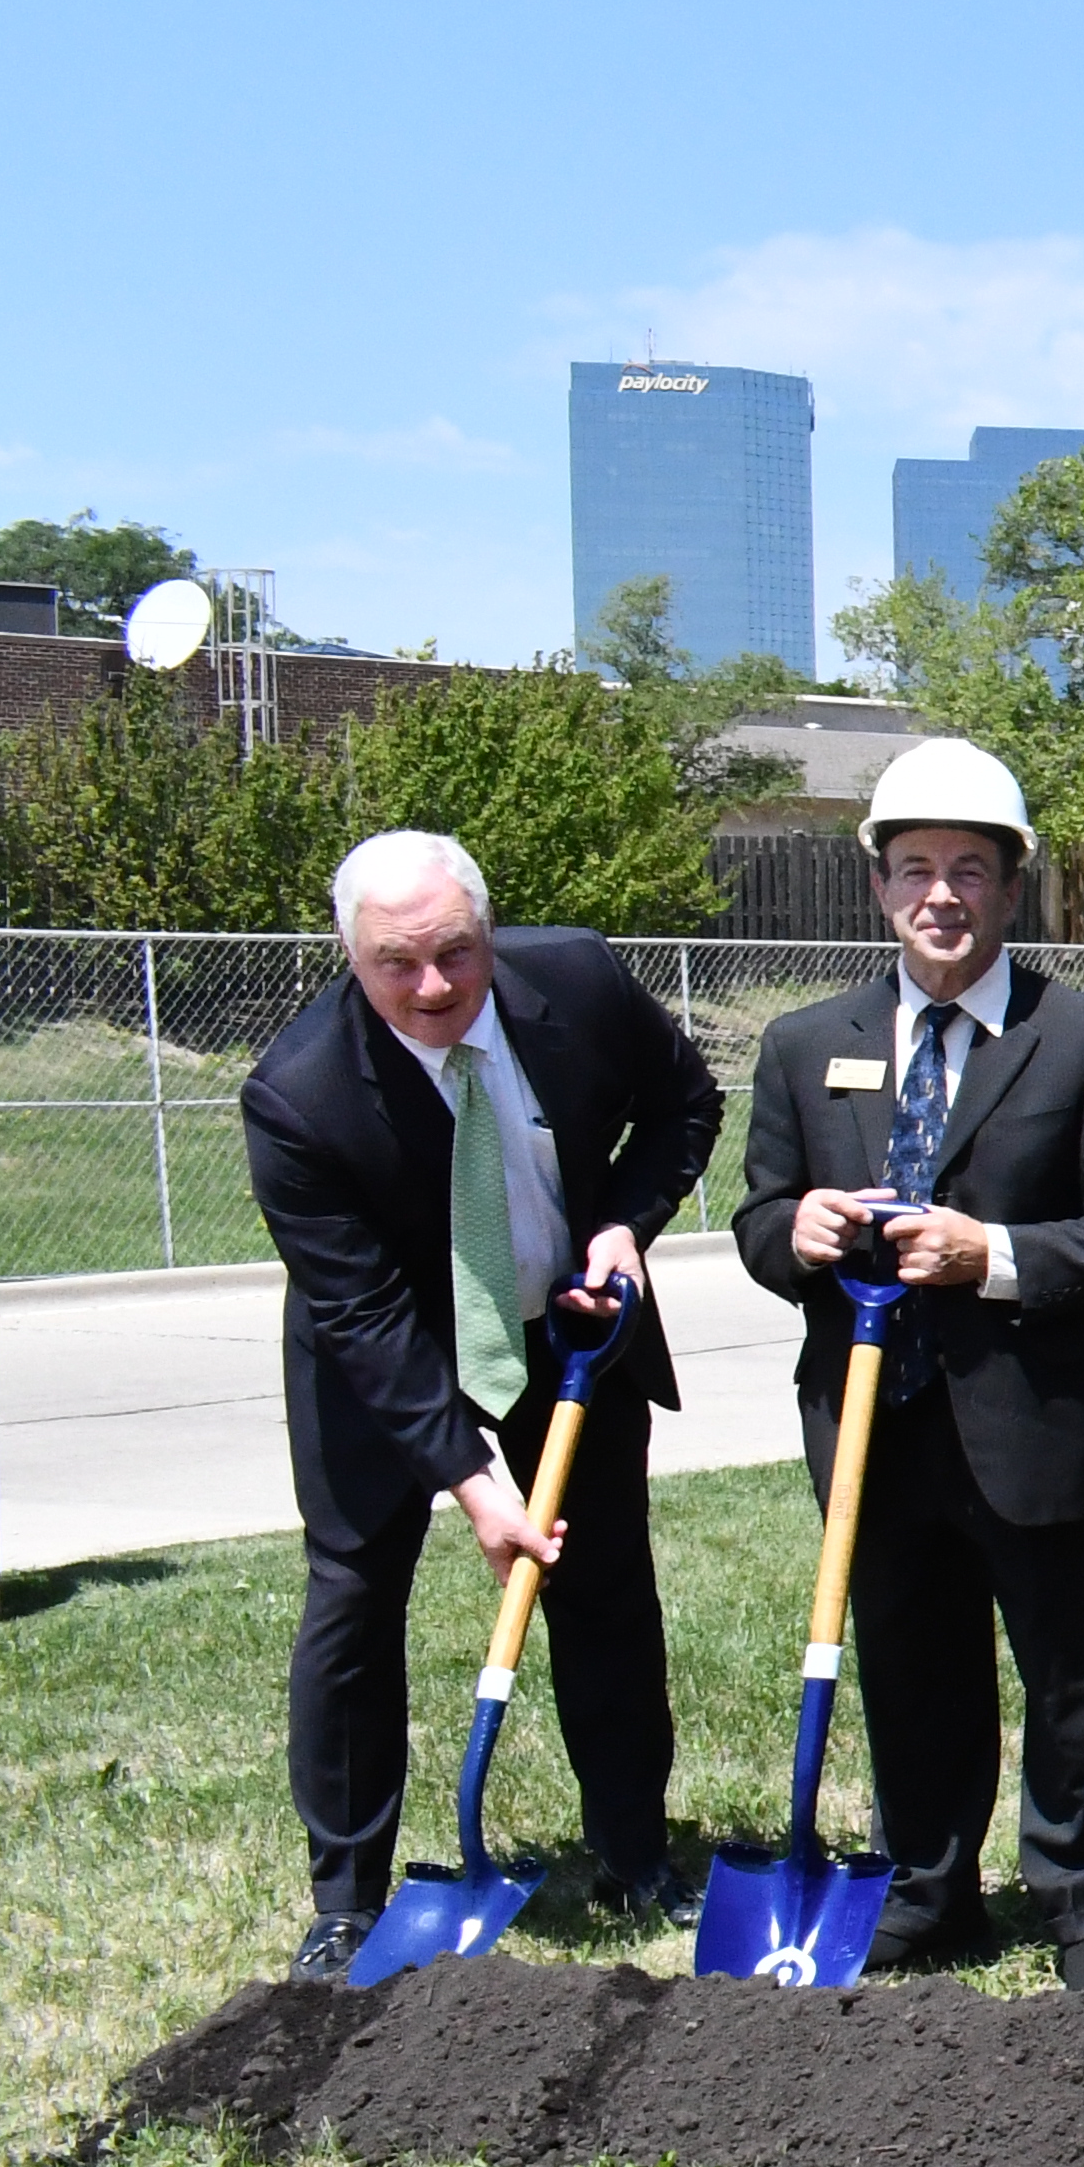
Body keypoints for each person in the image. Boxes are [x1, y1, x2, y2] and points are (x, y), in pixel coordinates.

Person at [729, 741, 1084, 1999]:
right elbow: (758, 1219)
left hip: (1029, 1416)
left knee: (1072, 1667)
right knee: (909, 1660)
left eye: (970, 871)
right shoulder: (801, 1042)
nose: (943, 895)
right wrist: (800, 1235)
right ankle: (927, 1886)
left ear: (1009, 887)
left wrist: (992, 1253)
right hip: (875, 1418)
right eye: (917, 869)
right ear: (879, 885)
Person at [243, 831, 718, 1972]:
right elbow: (359, 1317)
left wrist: (622, 1223)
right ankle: (348, 1897)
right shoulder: (299, 1096)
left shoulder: (582, 983)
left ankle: (634, 1849)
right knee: (355, 1600)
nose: (434, 988)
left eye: (456, 953)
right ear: (350, 954)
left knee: (602, 1585)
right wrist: (468, 1478)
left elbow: (684, 1104)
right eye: (396, 964)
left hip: (567, 1335)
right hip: (388, 1361)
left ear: (490, 932)